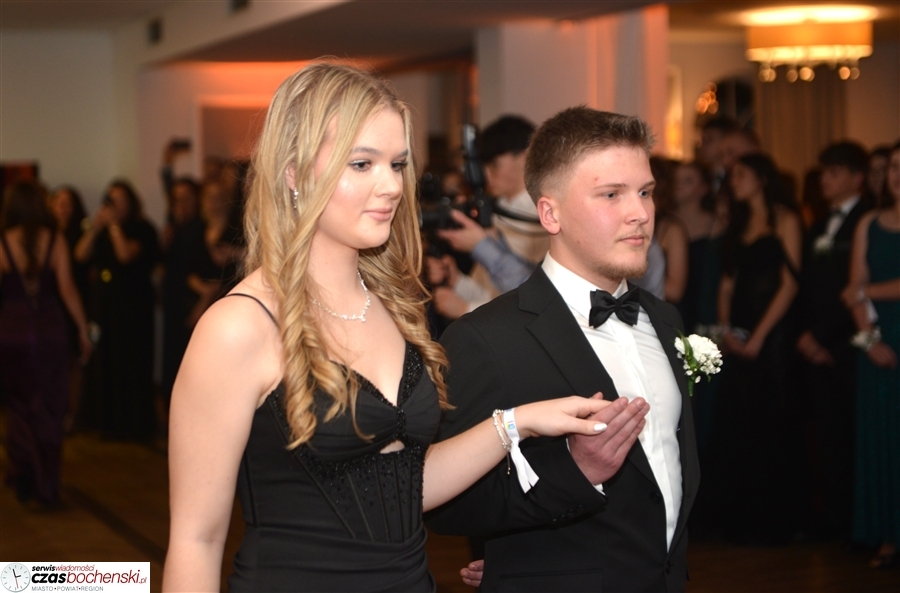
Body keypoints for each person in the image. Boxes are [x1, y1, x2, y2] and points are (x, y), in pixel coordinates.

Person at [161, 62, 611, 593]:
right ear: (293, 174)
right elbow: (196, 539)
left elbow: (399, 488)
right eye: (362, 163)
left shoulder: (393, 306)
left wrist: (515, 423)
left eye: (397, 164)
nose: (392, 185)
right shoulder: (239, 326)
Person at [427, 107, 699, 592]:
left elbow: (663, 476)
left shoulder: (664, 320)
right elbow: (446, 507)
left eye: (645, 192)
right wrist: (574, 473)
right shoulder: (486, 338)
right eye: (611, 194)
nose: (640, 213)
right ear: (550, 214)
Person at [705, 152, 803, 545]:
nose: (734, 182)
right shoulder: (738, 224)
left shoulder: (785, 219)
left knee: (773, 421)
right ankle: (740, 518)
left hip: (774, 334)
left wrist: (760, 336)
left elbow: (790, 284)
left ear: (762, 178)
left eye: (741, 175)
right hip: (741, 330)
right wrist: (727, 330)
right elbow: (726, 285)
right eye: (732, 177)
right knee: (739, 422)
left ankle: (776, 520)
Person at [795, 141, 871, 541]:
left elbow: (854, 288)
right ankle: (834, 520)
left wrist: (822, 336)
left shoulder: (866, 219)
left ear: (857, 178)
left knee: (854, 437)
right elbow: (808, 286)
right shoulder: (821, 222)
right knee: (827, 437)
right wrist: (806, 335)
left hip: (848, 344)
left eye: (834, 172)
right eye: (824, 172)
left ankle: (858, 522)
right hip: (816, 344)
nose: (825, 179)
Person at [0, 181, 91, 507]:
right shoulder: (56, 240)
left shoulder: (3, 242)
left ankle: (24, 471)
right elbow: (67, 289)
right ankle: (47, 485)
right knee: (51, 407)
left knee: (18, 405)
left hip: (11, 332)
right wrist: (83, 329)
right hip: (50, 330)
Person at [842, 140, 900, 569]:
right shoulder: (869, 223)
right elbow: (851, 290)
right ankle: (888, 536)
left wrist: (866, 291)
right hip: (878, 343)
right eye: (894, 166)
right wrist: (869, 341)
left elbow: (862, 289)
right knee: (883, 440)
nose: (897, 175)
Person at [74, 180, 159, 441]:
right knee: (104, 358)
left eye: (121, 200)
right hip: (104, 304)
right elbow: (79, 255)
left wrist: (113, 227)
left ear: (131, 203)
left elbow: (124, 255)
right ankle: (105, 422)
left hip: (132, 306)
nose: (115, 205)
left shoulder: (142, 229)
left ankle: (132, 424)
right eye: (111, 200)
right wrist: (96, 228)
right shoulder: (100, 230)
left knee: (130, 360)